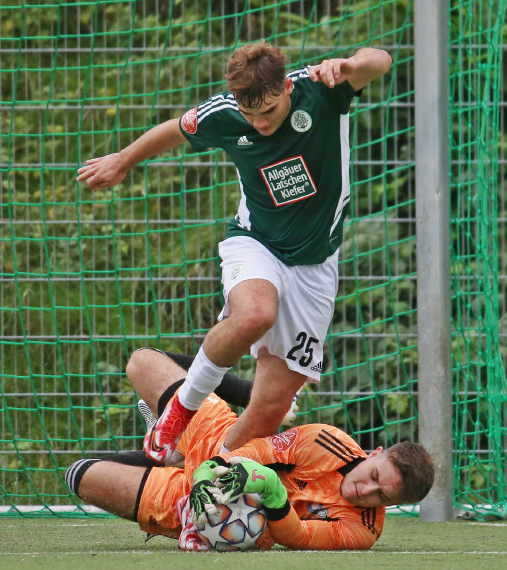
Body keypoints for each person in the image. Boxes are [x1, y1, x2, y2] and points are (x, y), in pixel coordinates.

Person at [76, 42, 393, 463]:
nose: (261, 124)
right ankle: (177, 414)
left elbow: (381, 61)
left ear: (285, 86)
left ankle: (206, 478)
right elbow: (176, 127)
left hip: (316, 264)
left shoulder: (320, 90)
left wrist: (350, 63)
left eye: (270, 112)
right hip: (256, 241)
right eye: (251, 115)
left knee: (271, 407)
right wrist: (123, 160)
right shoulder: (223, 113)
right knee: (255, 314)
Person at [64, 348, 434, 551]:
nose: (365, 491)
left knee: (79, 474)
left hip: (212, 515)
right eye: (373, 477)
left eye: (381, 496)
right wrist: (215, 468)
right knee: (142, 360)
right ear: (374, 454)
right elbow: (256, 449)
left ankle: (172, 460)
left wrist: (269, 488)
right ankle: (189, 443)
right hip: (221, 444)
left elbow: (298, 537)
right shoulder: (326, 440)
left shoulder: (363, 532)